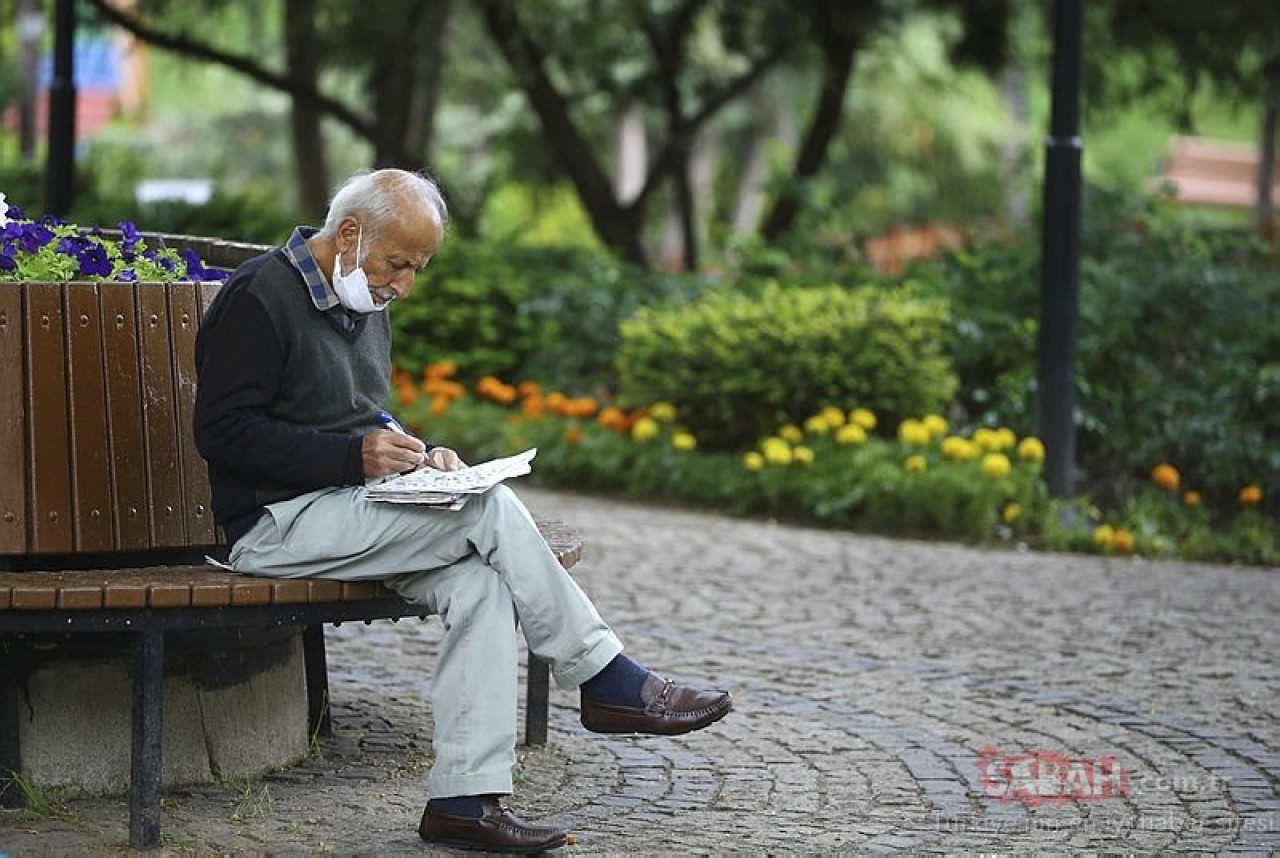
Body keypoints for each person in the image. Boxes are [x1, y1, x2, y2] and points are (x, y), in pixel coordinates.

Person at [193, 168, 731, 853]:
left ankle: (463, 802)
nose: (404, 284)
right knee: (489, 511)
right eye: (400, 263)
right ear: (351, 234)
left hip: (351, 512)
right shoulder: (260, 296)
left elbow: (358, 417)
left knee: (480, 585)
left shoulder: (362, 298)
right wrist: (353, 458)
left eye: (417, 268)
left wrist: (422, 455)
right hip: (275, 526)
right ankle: (606, 677)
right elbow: (223, 432)